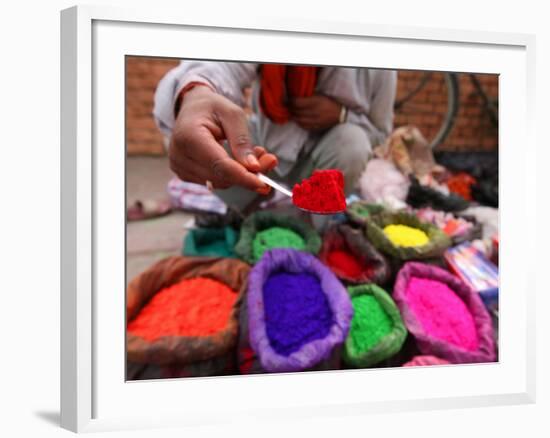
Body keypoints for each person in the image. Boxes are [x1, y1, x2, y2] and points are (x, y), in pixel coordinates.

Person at [153, 61, 397, 214]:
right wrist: (197, 91)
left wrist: (343, 115)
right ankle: (251, 215)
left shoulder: (379, 63)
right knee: (207, 144)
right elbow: (221, 65)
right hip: (266, 149)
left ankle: (315, 222)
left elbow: (379, 132)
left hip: (325, 154)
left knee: (353, 142)